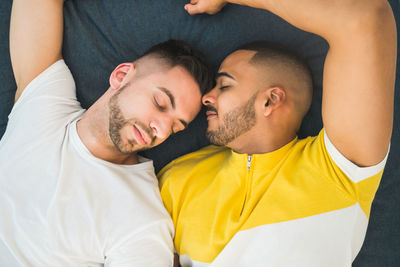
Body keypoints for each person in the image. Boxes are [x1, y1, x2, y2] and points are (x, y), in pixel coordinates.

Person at [159, 0, 397, 266]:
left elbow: (366, 17)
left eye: (224, 85)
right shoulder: (177, 178)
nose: (207, 97)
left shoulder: (340, 172)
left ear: (271, 100)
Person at [0, 0, 213, 266]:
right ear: (122, 75)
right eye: (160, 103)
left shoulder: (142, 220)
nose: (161, 128)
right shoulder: (46, 105)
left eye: (176, 126)